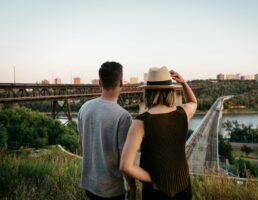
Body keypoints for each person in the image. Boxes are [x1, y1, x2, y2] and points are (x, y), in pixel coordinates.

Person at [120, 66, 197, 200]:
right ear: (170, 92)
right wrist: (184, 83)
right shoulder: (183, 113)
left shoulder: (140, 123)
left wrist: (153, 180)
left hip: (155, 193)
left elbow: (125, 166)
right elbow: (193, 102)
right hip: (183, 188)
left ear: (147, 92)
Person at [78, 61, 136, 200]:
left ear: (100, 82)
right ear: (121, 83)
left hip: (89, 184)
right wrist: (133, 187)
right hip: (112, 190)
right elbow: (125, 162)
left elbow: (80, 142)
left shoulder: (84, 108)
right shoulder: (123, 116)